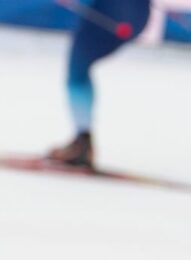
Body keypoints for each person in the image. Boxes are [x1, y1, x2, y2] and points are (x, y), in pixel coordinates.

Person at [48, 0, 152, 167]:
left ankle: (82, 143)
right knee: (80, 70)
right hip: (136, 19)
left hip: (109, 15)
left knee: (77, 71)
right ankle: (82, 141)